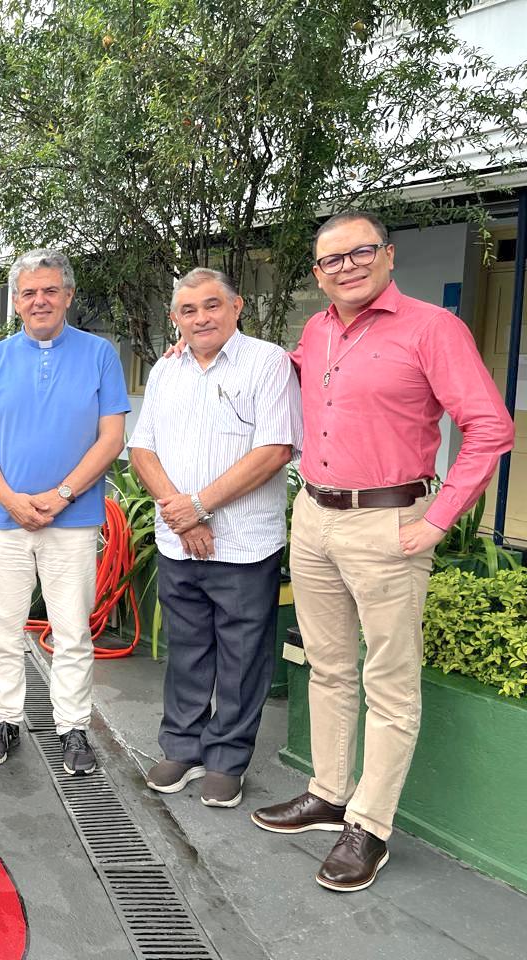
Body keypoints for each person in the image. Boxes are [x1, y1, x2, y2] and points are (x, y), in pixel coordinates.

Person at [251, 211, 514, 891]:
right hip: (314, 515)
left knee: (389, 683)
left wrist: (438, 521)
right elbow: (292, 373)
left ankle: (368, 825)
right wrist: (207, 351)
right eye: (332, 259)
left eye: (360, 252)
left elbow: (490, 428)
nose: (347, 266)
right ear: (318, 273)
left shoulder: (434, 328)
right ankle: (329, 792)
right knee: (330, 667)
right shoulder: (318, 328)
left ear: (388, 256)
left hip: (390, 523)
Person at [129, 268, 300, 809]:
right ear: (175, 318)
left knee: (242, 656)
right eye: (188, 310)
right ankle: (181, 746)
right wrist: (183, 515)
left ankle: (227, 757)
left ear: (237, 306)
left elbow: (275, 449)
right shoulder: (167, 370)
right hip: (179, 540)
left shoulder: (267, 362)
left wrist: (200, 506)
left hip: (245, 543)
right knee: (186, 651)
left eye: (211, 306)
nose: (200, 318)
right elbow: (142, 449)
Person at [0, 249, 128, 775]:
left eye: (50, 291)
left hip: (71, 519)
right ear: (16, 302)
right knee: (4, 627)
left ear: (68, 296)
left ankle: (73, 727)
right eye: (29, 293)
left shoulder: (100, 353)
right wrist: (11, 499)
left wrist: (63, 495)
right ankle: (5, 719)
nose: (40, 301)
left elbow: (112, 436)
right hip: (2, 518)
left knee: (73, 629)